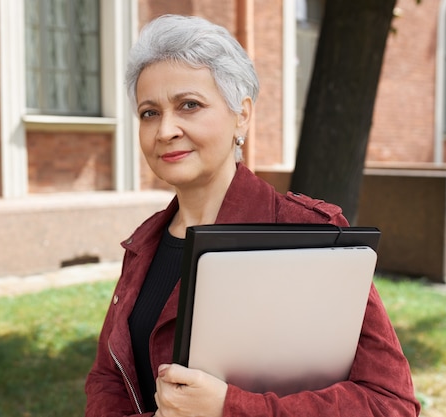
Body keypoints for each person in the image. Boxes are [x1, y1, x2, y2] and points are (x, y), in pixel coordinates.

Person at [85, 14, 420, 417]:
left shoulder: (309, 232)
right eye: (149, 113)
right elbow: (107, 377)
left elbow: (390, 404)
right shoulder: (144, 243)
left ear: (241, 115)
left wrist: (231, 406)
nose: (165, 130)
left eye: (189, 105)